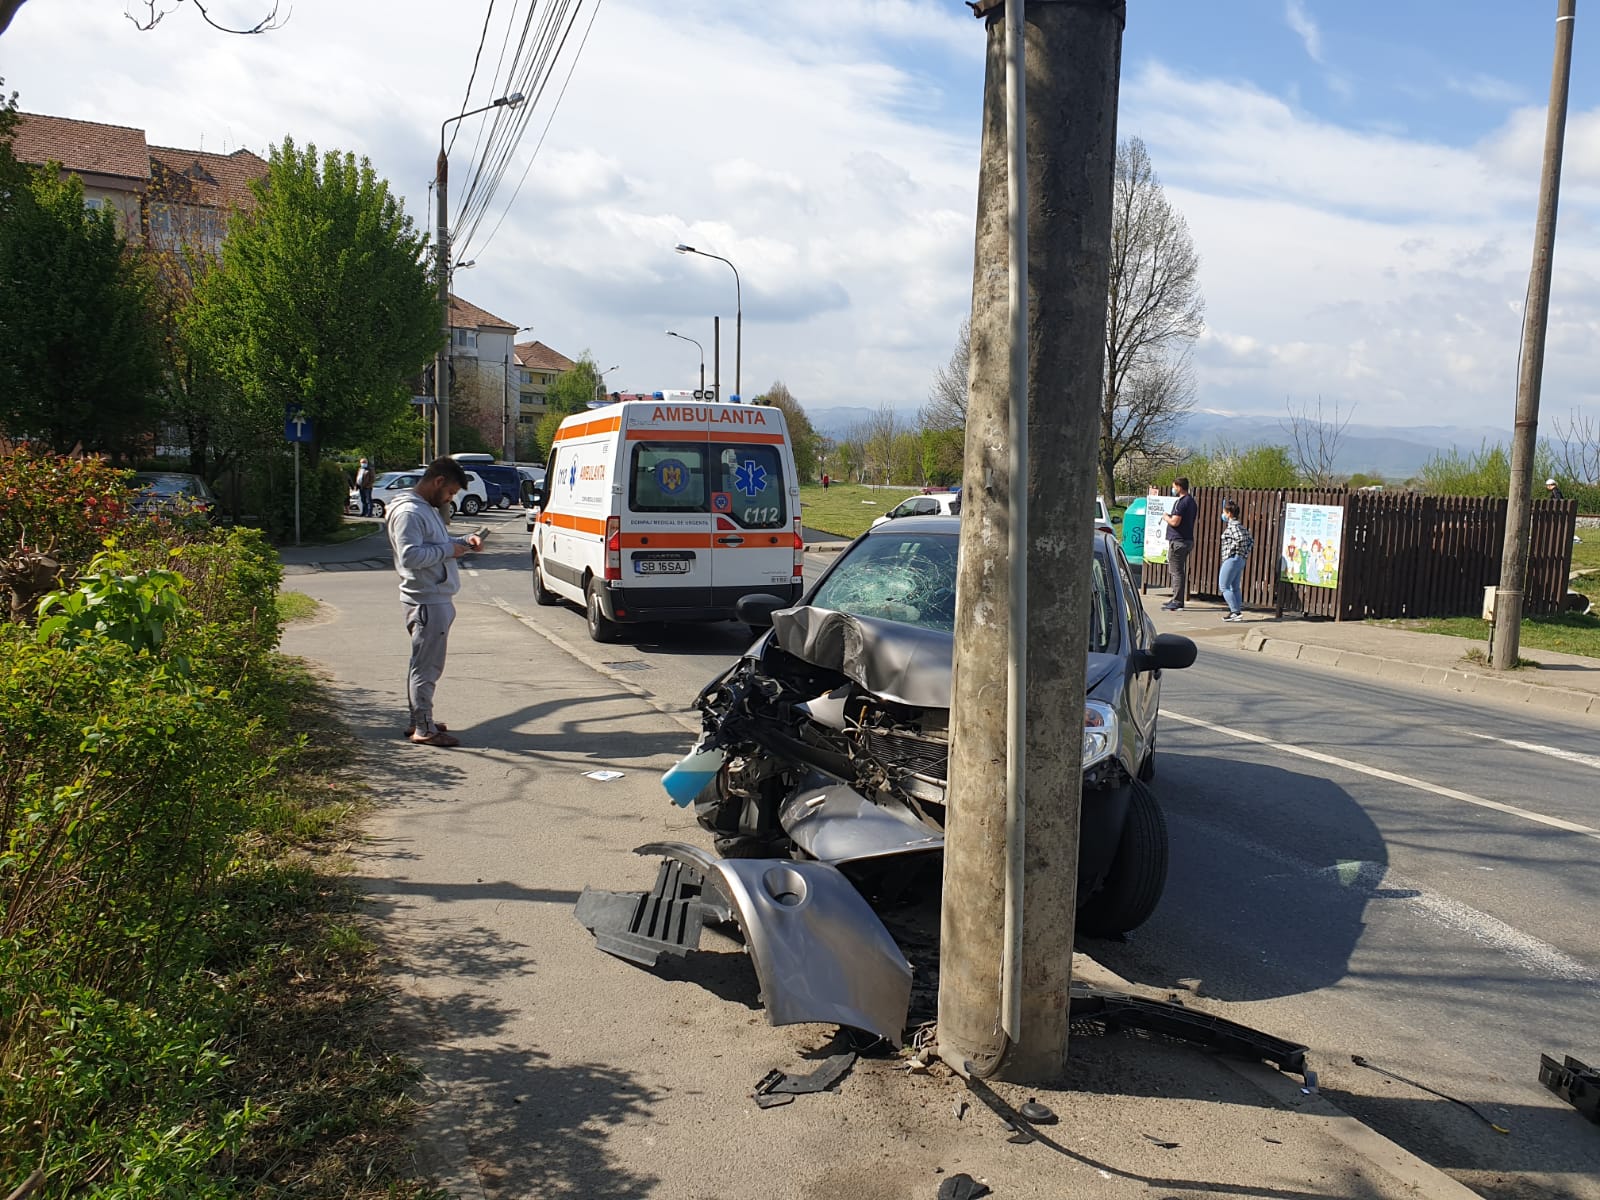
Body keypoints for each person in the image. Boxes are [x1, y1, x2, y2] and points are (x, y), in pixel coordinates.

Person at [385, 458, 482, 747]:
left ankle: (420, 719)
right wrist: (450, 550)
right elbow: (411, 556)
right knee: (427, 667)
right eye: (451, 492)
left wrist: (463, 541)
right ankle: (424, 728)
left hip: (431, 597)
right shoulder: (409, 513)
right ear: (438, 482)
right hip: (427, 600)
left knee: (422, 664)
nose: (451, 499)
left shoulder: (422, 509)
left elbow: (433, 544)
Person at [1161, 476, 1197, 611]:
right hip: (1187, 540)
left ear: (1179, 487)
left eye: (1174, 487)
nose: (1173, 489)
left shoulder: (1181, 502)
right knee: (1179, 571)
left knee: (1176, 571)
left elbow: (1175, 522)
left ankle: (1177, 601)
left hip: (1178, 541)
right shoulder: (1192, 502)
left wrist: (1166, 517)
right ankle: (1177, 598)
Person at [1218, 498, 1254, 622]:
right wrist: (1244, 554)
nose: (1223, 514)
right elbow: (1250, 541)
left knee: (1224, 586)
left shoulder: (1233, 527)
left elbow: (1239, 539)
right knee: (1235, 587)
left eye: (1224, 512)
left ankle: (1235, 611)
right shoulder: (1242, 527)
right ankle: (1236, 612)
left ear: (1229, 513)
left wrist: (1232, 552)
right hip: (1240, 559)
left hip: (1232, 559)